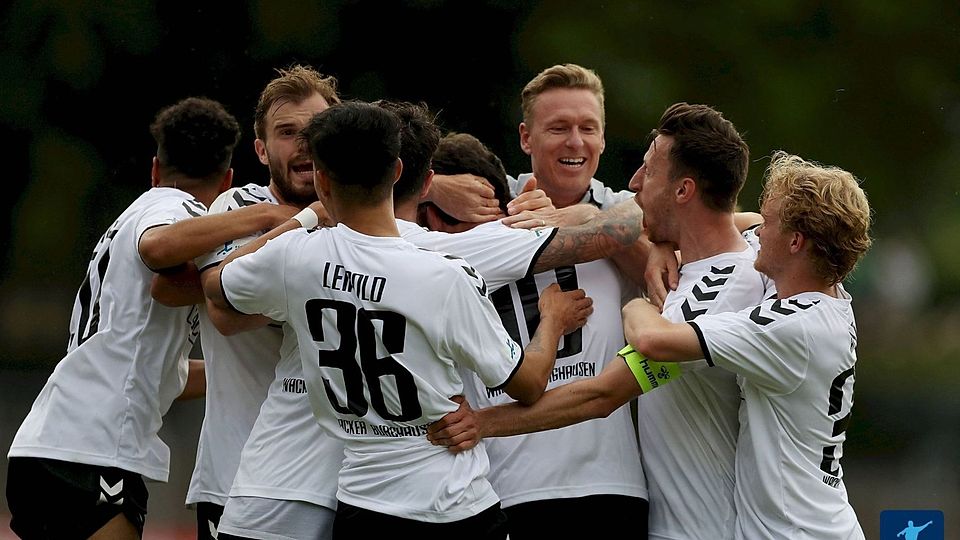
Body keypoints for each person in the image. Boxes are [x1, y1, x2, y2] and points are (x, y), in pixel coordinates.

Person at [205, 101, 592, 538]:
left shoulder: (294, 257)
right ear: (397, 172)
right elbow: (528, 384)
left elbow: (217, 284)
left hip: (361, 505)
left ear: (322, 180)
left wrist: (304, 218)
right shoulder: (443, 274)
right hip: (451, 505)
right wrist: (552, 320)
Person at [430, 102, 765, 539]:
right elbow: (744, 224)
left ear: (683, 191)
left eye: (649, 172)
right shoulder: (699, 266)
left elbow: (605, 392)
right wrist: (661, 241)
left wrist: (482, 422)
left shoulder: (714, 293)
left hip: (705, 528)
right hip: (654, 516)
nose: (633, 183)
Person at [4, 97, 291, 539]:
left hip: (46, 445)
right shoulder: (174, 207)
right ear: (228, 180)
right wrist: (268, 214)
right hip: (94, 450)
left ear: (155, 168)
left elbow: (157, 369)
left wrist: (246, 371)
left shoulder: (126, 217)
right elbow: (157, 248)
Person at [441, 63, 650, 538]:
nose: (575, 142)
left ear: (603, 138)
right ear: (525, 137)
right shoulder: (483, 204)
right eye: (558, 128)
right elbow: (373, 211)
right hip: (502, 483)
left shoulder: (624, 211)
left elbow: (675, 252)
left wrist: (582, 216)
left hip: (610, 483)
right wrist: (434, 186)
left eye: (588, 128)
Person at [618, 151, 871, 539]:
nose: (758, 232)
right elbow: (735, 224)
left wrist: (635, 304)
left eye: (770, 224)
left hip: (795, 533)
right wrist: (664, 243)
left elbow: (654, 340)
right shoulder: (822, 289)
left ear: (795, 242)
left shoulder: (789, 329)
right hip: (823, 522)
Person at [181, 64, 342, 540]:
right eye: (287, 132)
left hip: (343, 483)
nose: (304, 145)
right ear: (261, 149)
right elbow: (225, 313)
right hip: (238, 479)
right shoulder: (237, 207)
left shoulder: (365, 217)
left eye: (315, 131)